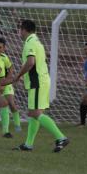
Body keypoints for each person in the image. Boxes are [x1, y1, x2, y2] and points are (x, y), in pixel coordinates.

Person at [13, 20, 69, 152]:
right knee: (33, 113)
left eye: (19, 29)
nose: (19, 32)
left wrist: (18, 76)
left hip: (37, 82)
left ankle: (61, 137)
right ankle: (28, 144)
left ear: (24, 30)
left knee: (35, 112)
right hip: (41, 80)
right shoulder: (36, 41)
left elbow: (30, 62)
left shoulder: (30, 42)